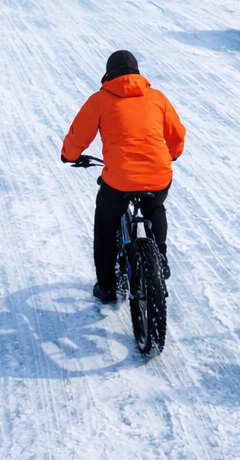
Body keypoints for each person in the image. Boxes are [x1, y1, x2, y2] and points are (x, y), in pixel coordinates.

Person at [61, 50, 186, 303]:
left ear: (108, 75)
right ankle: (159, 256)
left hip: (119, 180)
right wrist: (172, 155)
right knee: (155, 206)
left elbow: (78, 136)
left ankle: (107, 287)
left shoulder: (100, 99)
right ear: (138, 73)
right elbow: (177, 135)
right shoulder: (157, 97)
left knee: (106, 224)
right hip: (159, 174)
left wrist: (70, 156)